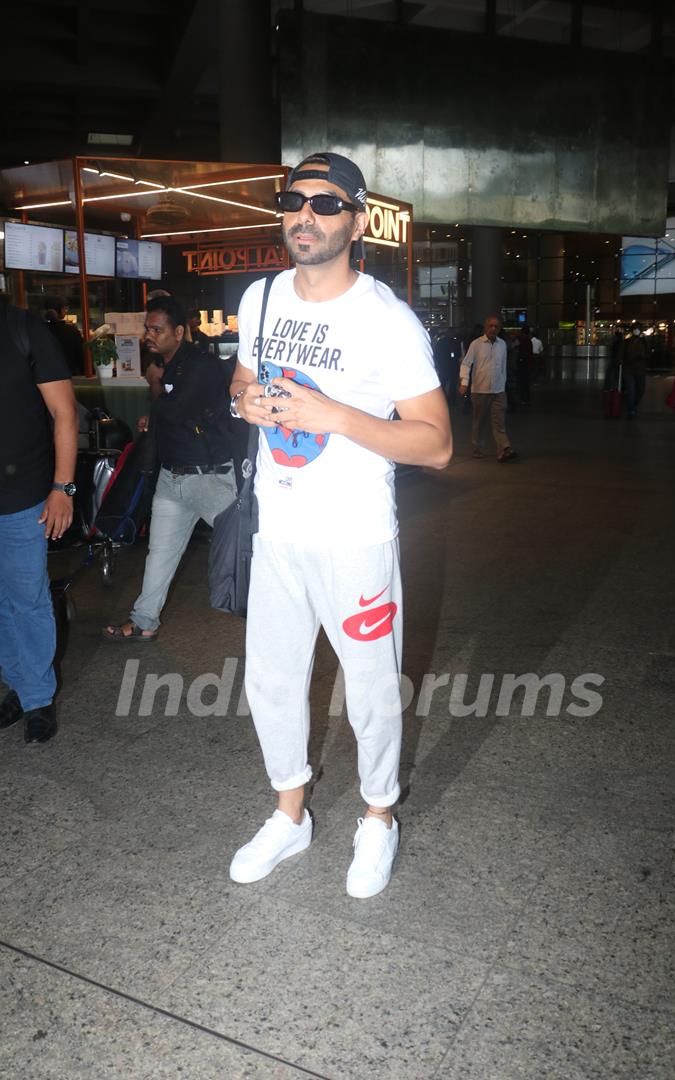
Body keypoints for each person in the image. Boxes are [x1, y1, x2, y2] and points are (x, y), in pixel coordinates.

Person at [228, 151, 452, 898]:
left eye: (326, 205)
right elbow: (245, 376)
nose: (305, 215)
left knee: (372, 691)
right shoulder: (259, 298)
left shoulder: (386, 320)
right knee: (271, 682)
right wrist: (245, 402)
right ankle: (290, 815)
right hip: (277, 532)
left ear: (357, 222)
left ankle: (379, 817)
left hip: (355, 538)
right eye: (294, 200)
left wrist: (340, 417)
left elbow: (437, 443)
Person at [102, 297, 235, 642]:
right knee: (160, 553)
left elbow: (174, 410)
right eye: (148, 328)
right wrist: (156, 405)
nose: (149, 335)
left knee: (248, 546)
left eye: (156, 329)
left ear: (178, 332)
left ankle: (289, 610)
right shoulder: (170, 366)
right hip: (172, 478)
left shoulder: (200, 366)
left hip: (209, 478)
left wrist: (155, 386)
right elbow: (167, 414)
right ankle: (145, 619)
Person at [0, 297, 78, 744]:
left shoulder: (24, 330)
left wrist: (62, 488)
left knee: (26, 599)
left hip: (24, 497)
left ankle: (37, 699)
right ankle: (18, 684)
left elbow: (64, 414)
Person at [459, 314, 517, 462]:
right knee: (479, 421)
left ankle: (504, 448)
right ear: (485, 327)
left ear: (499, 328)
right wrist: (464, 383)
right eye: (490, 326)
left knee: (499, 421)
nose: (493, 329)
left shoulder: (502, 344)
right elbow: (466, 363)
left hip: (498, 391)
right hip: (480, 391)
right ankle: (477, 447)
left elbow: (503, 367)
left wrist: (503, 386)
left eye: (496, 326)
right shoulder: (476, 344)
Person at [43, 296, 85, 376]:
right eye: (65, 309)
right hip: (70, 375)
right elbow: (81, 357)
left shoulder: (40, 330)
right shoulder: (71, 330)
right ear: (62, 310)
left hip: (46, 376)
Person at [621, 325, 648, 419]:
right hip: (628, 369)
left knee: (641, 389)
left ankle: (633, 404)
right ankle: (631, 409)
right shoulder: (627, 342)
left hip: (640, 370)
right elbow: (621, 355)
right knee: (631, 390)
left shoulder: (643, 342)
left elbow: (648, 353)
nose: (636, 331)